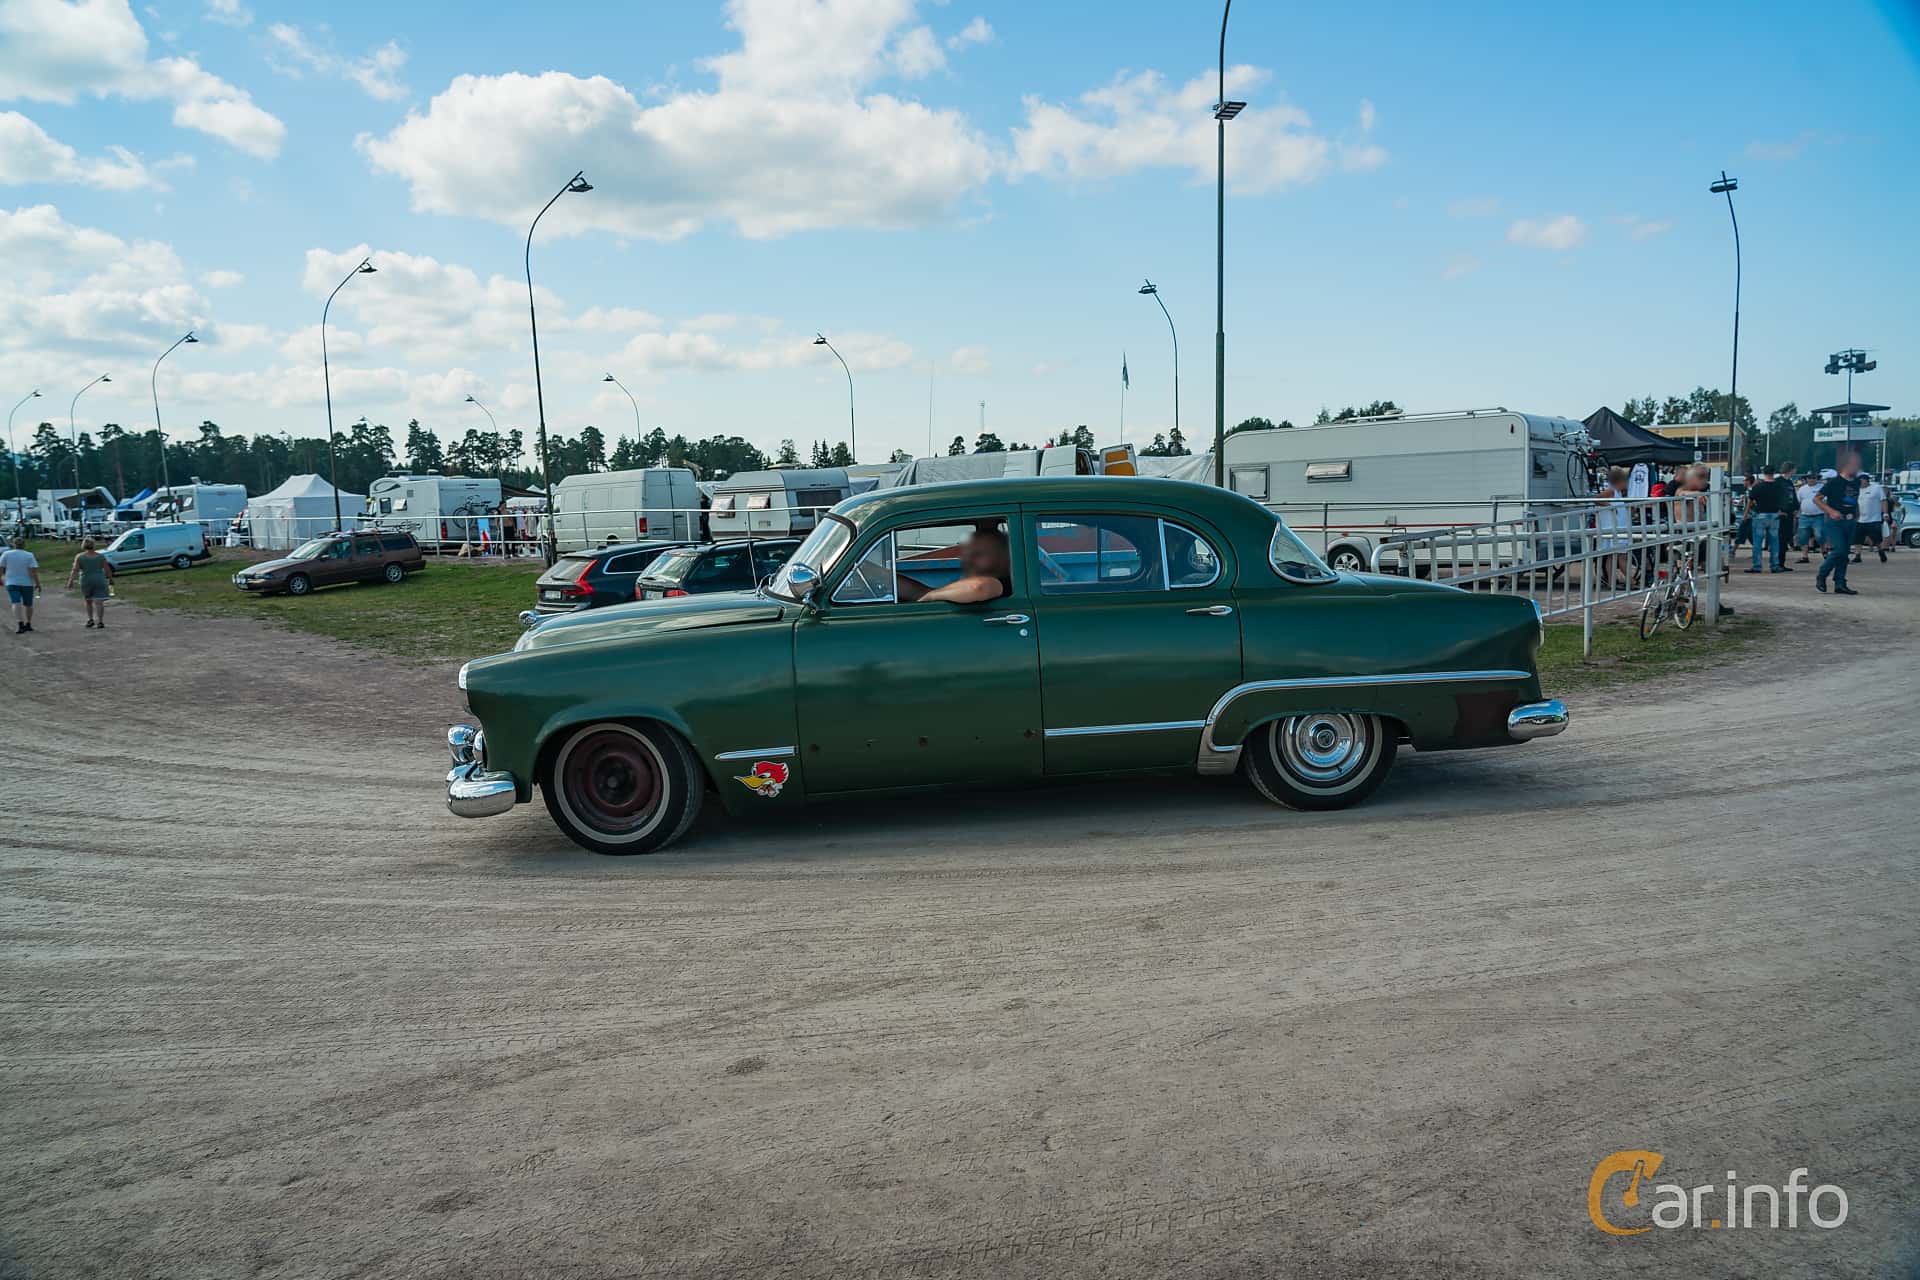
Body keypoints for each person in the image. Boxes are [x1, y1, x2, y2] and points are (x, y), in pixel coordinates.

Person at [897, 526, 1011, 604]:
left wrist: (931, 596)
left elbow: (977, 588)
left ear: (1002, 558)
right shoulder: (964, 588)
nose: (968, 560)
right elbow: (921, 592)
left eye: (978, 554)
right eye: (967, 554)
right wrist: (883, 576)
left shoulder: (1001, 583)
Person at [1814, 457, 1861, 595]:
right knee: (1839, 550)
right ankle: (1822, 574)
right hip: (1835, 521)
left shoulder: (1857, 482)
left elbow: (1854, 500)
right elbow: (1817, 499)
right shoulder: (1834, 483)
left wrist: (1857, 514)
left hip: (1850, 521)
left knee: (1845, 554)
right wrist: (1831, 511)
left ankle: (1840, 583)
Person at [1745, 464, 1792, 573]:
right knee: (1774, 542)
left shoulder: (1758, 487)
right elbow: (1785, 500)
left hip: (1760, 515)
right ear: (1773, 473)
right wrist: (1782, 511)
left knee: (1757, 543)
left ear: (1764, 473)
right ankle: (1775, 565)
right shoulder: (1779, 486)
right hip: (1775, 515)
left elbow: (1750, 501)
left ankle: (1757, 566)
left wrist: (1745, 515)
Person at [66, 538, 114, 629]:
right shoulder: (100, 557)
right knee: (99, 602)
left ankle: (90, 619)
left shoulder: (80, 557)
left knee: (88, 601)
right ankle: (100, 621)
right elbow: (107, 569)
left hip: (86, 580)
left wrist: (71, 581)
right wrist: (110, 579)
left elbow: (75, 570)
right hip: (99, 579)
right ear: (94, 545)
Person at [2, 536, 40, 633]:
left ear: (13, 544)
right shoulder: (29, 555)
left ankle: (20, 623)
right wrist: (37, 583)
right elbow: (33, 571)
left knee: (15, 602)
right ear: (24, 545)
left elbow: (1, 568)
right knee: (28, 604)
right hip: (26, 582)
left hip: (11, 582)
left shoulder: (6, 554)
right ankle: (28, 623)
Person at [1853, 472, 1889, 565]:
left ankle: (1881, 551)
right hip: (1860, 519)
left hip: (1874, 519)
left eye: (1861, 481)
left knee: (1877, 539)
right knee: (1857, 539)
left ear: (1866, 481)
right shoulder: (1856, 490)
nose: (1860, 483)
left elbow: (1883, 501)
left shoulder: (1876, 488)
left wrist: (1885, 513)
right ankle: (1857, 556)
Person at [1795, 472, 1826, 564]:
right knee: (1803, 537)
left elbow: (1826, 501)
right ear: (1806, 479)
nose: (1811, 479)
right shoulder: (1802, 489)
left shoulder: (1821, 488)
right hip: (1804, 516)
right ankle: (1804, 556)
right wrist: (1797, 514)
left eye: (1813, 477)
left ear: (1817, 478)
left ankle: (1824, 552)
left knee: (1819, 535)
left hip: (1819, 516)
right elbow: (1798, 502)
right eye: (1809, 478)